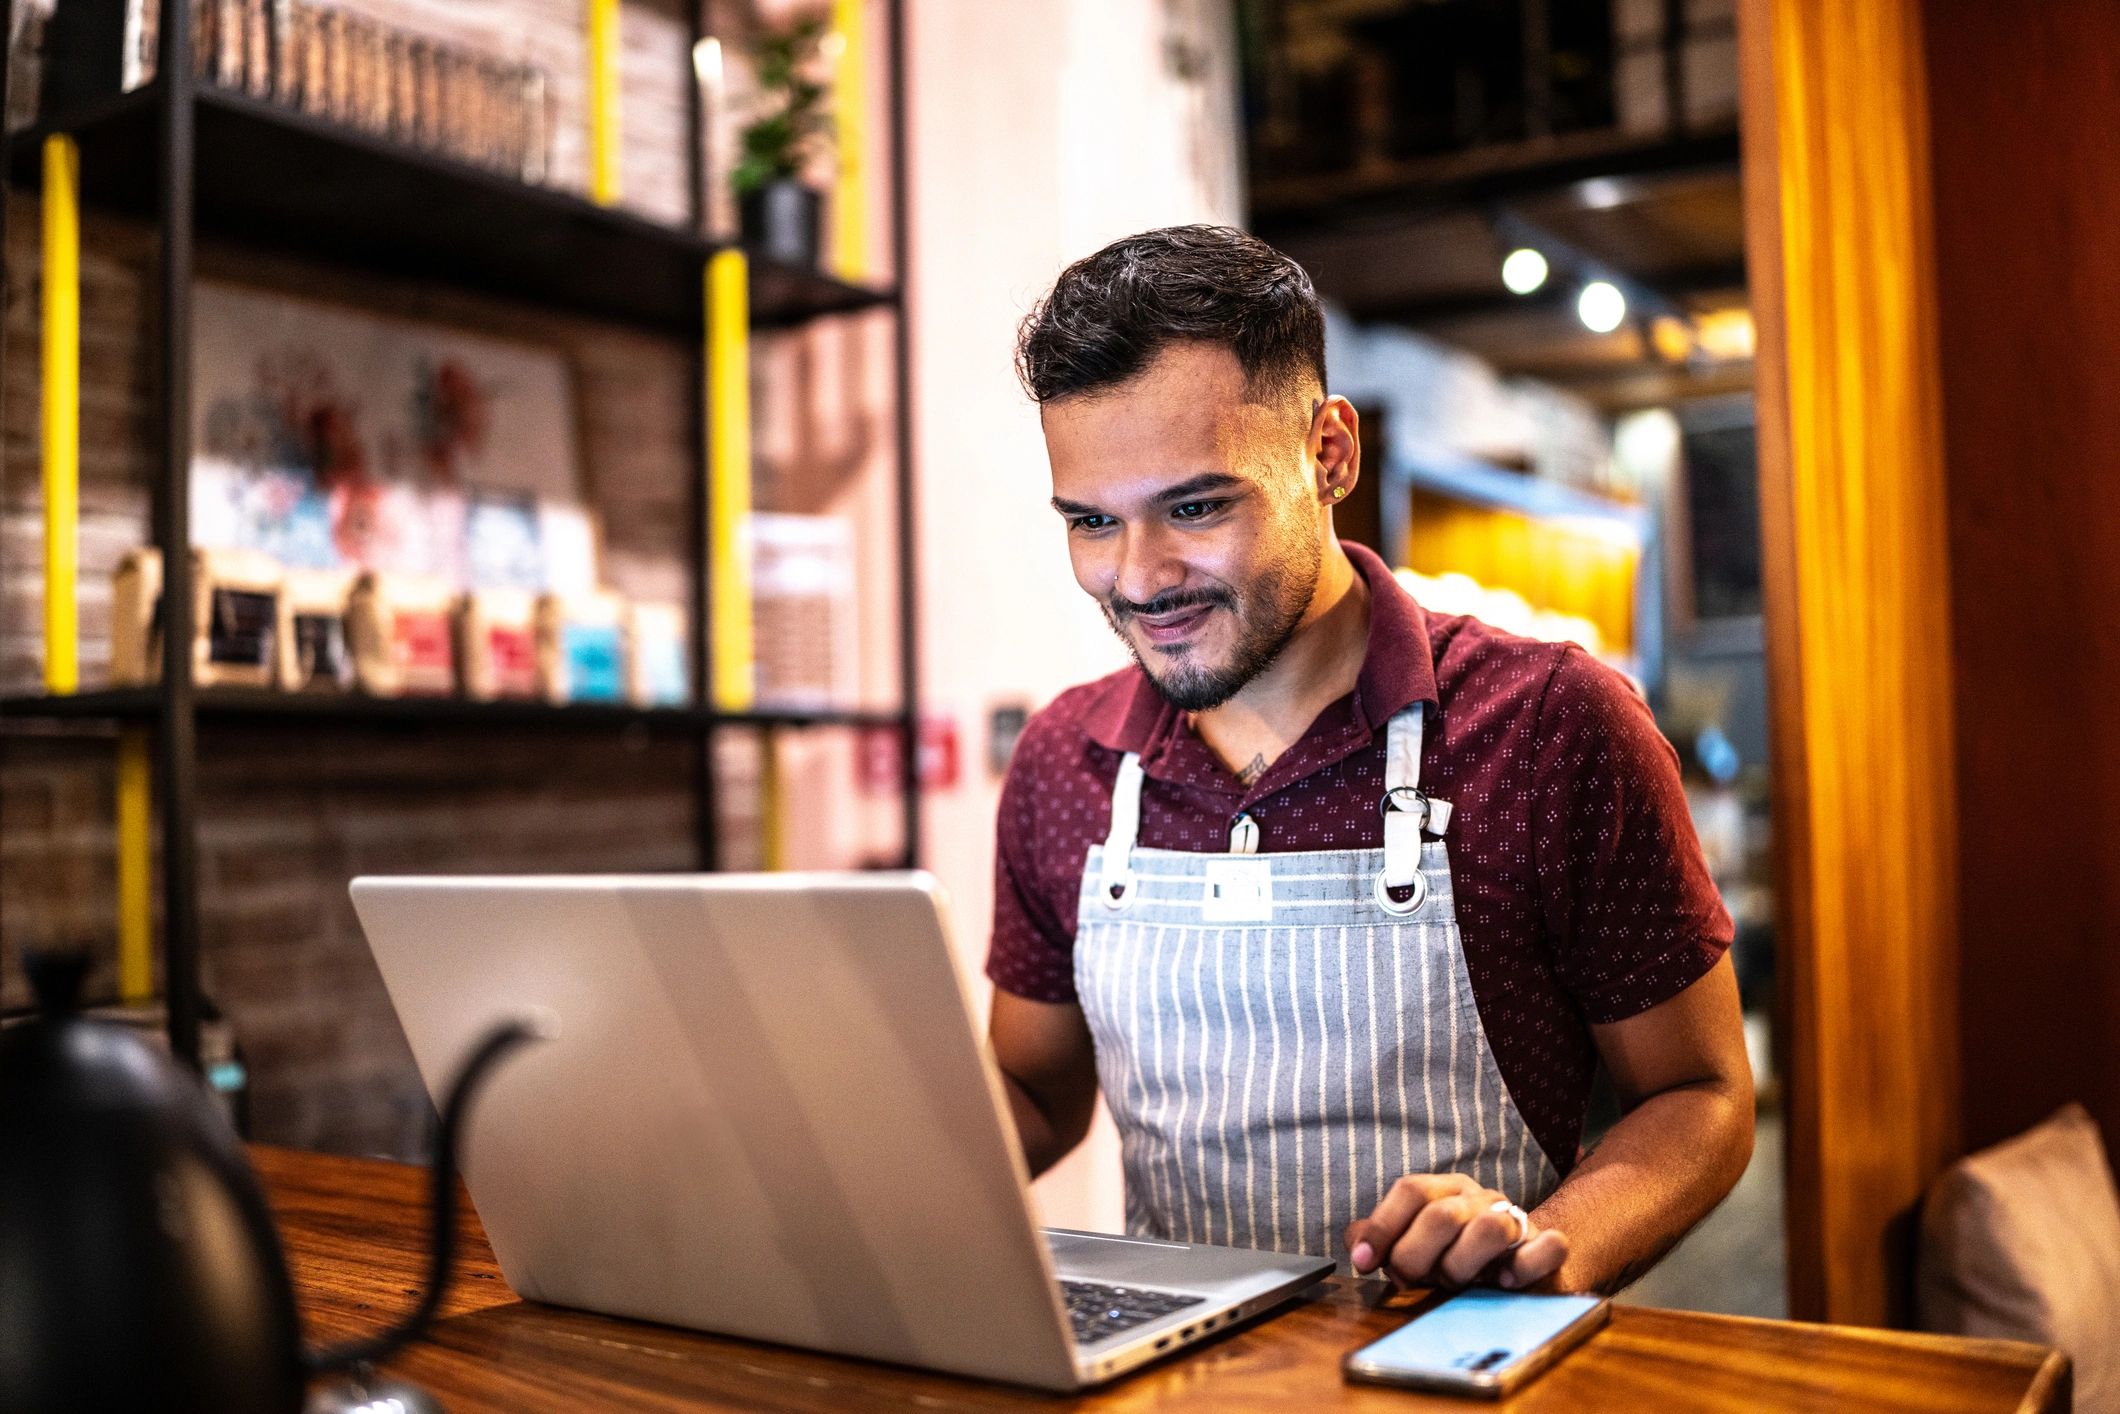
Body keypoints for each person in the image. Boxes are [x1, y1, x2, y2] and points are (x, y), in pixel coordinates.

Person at [985, 225, 1754, 1295]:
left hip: (1464, 1370)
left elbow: (1698, 1097)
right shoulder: (1063, 763)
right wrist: (867, 1142)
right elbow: (1032, 1090)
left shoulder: (1547, 728)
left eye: (1196, 506)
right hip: (1171, 1380)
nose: (1140, 576)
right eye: (1090, 522)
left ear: (1328, 455)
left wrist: (1545, 1245)